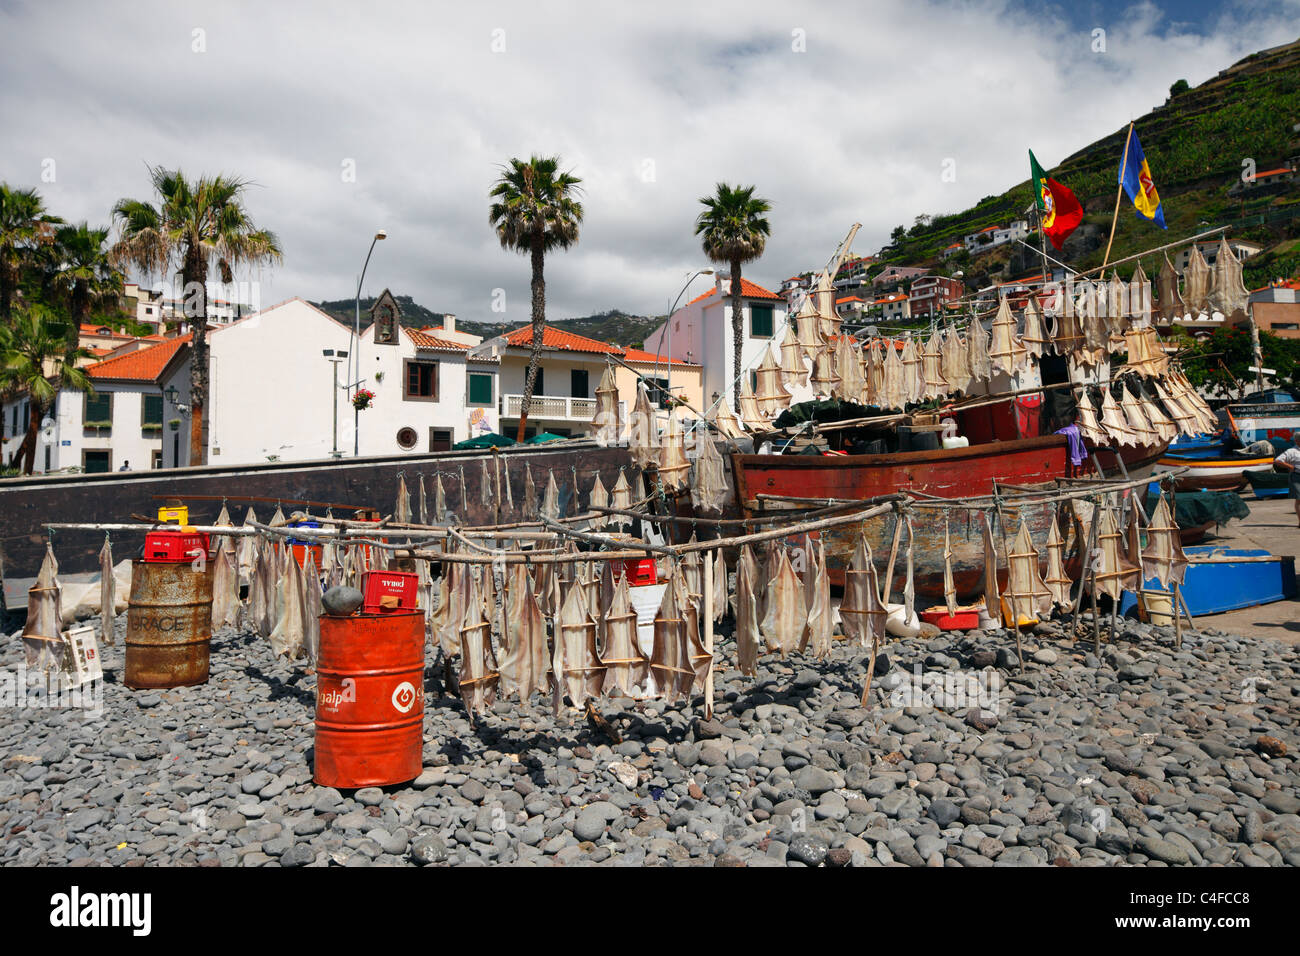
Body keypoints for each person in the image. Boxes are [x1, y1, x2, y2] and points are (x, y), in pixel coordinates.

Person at [1274, 431, 1300, 527]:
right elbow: (1277, 461)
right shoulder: (1291, 451)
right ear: (1297, 441)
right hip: (1297, 476)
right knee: (1299, 499)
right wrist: (1290, 466)